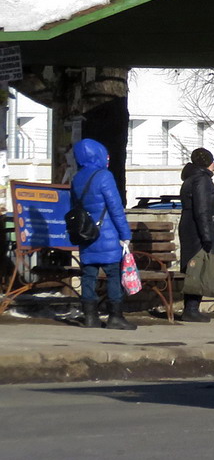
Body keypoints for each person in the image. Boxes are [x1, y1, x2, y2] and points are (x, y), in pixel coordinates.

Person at [72, 138, 137, 331]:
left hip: (86, 235)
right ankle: (115, 317)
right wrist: (125, 234)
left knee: (88, 275)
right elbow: (115, 208)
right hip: (107, 235)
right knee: (113, 275)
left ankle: (90, 317)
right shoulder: (104, 176)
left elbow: (74, 208)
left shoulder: (76, 178)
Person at [179, 147, 214, 323]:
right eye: (212, 161)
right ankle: (191, 309)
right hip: (197, 230)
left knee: (194, 268)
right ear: (208, 163)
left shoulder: (191, 178)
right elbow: (202, 210)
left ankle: (191, 308)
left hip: (190, 228)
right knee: (198, 268)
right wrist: (206, 236)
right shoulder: (202, 180)